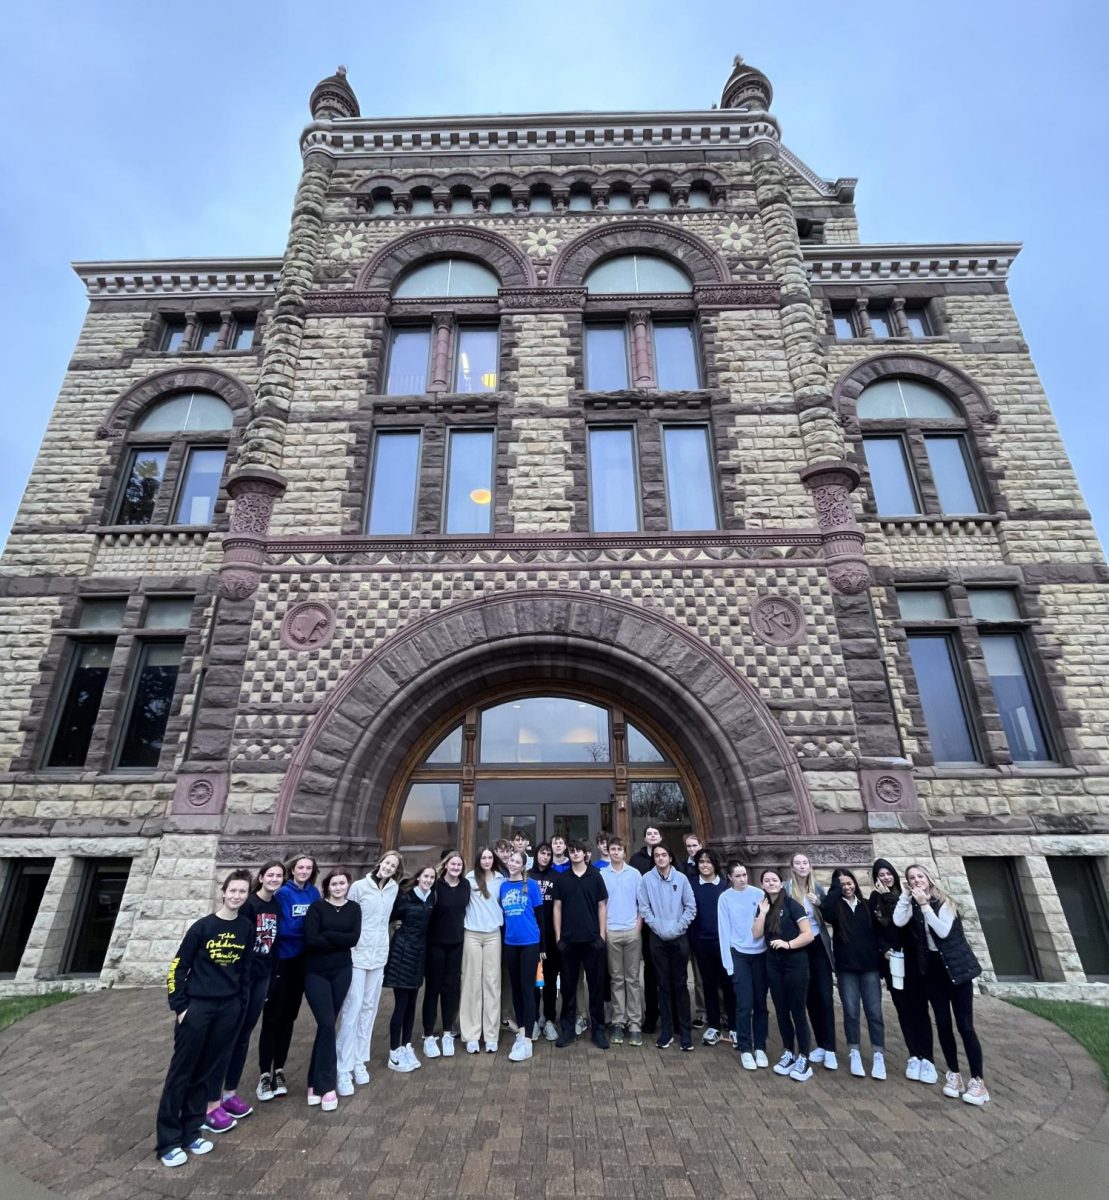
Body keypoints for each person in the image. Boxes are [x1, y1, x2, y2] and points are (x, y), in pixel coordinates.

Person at [155, 869, 254, 1168]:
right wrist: (180, 1006)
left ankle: (191, 1132)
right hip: (197, 1008)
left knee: (207, 1072)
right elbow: (177, 967)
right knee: (182, 1073)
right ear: (223, 892)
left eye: (242, 892)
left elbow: (245, 971)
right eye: (232, 891)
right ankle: (168, 1142)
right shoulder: (202, 927)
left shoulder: (246, 928)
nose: (236, 896)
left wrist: (239, 1005)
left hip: (228, 1009)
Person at [894, 864, 989, 1105]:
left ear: (929, 879)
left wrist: (925, 905)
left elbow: (943, 931)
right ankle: (954, 1073)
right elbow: (898, 920)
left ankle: (978, 1080)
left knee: (965, 1025)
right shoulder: (913, 903)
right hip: (933, 970)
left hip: (957, 970)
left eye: (920, 877)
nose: (916, 881)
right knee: (943, 1023)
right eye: (911, 878)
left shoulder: (945, 903)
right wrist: (906, 898)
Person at [213, 859, 283, 1117]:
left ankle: (229, 1093)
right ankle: (212, 1097)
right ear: (261, 877)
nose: (275, 879)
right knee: (227, 1035)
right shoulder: (249, 904)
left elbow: (274, 942)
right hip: (243, 979)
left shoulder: (275, 904)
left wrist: (273, 976)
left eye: (279, 876)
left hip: (262, 977)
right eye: (271, 875)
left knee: (243, 1036)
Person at [335, 850, 401, 1094]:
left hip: (379, 954)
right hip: (358, 953)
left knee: (369, 1007)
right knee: (353, 1007)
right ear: (380, 862)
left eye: (393, 865)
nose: (388, 867)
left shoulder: (393, 888)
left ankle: (359, 1061)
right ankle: (342, 1066)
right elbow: (347, 913)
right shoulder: (359, 887)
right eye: (387, 862)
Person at [869, 857, 938, 1084]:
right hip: (893, 961)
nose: (886, 877)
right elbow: (879, 928)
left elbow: (905, 923)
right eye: (881, 874)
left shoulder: (908, 896)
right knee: (903, 1009)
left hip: (914, 960)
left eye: (888, 873)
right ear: (876, 878)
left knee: (920, 1008)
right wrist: (884, 949)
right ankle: (914, 1055)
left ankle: (927, 1058)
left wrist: (891, 896)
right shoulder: (874, 899)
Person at [257, 854, 320, 1098]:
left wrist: (308, 930)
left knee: (289, 1018)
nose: (304, 871)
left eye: (308, 867)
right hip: (281, 963)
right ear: (292, 869)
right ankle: (264, 1073)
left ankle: (279, 1069)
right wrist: (308, 930)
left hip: (301, 964)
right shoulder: (283, 893)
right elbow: (282, 929)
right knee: (273, 1017)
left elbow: (316, 921)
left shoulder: (313, 893)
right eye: (300, 867)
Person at [302, 868, 361, 1111]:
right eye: (334, 883)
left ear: (348, 885)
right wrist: (338, 938)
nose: (338, 887)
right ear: (328, 886)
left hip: (342, 971)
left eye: (342, 883)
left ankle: (312, 1082)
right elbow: (312, 939)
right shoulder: (317, 908)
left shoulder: (354, 909)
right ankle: (327, 1087)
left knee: (328, 1025)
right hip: (316, 972)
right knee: (326, 1023)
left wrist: (328, 934)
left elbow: (353, 938)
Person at [820, 868, 886, 1080]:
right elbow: (825, 911)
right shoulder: (836, 908)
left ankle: (878, 1053)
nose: (847, 887)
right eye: (842, 885)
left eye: (849, 883)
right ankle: (854, 1051)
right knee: (851, 1011)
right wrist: (834, 890)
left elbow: (879, 931)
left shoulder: (866, 905)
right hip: (847, 968)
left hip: (869, 967)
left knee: (874, 1012)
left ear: (855, 884)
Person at [753, 868, 814, 1082]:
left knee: (797, 1010)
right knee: (780, 1009)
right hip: (774, 964)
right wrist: (761, 912)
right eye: (766, 880)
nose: (770, 883)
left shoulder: (792, 905)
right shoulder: (763, 906)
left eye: (774, 880)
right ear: (762, 885)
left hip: (795, 963)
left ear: (781, 883)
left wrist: (788, 944)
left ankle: (804, 1057)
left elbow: (808, 934)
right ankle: (788, 1050)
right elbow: (757, 933)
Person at [552, 838, 610, 1049]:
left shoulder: (595, 876)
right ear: (568, 854)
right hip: (568, 942)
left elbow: (602, 906)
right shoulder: (562, 878)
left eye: (579, 851)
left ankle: (598, 1031)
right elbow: (556, 908)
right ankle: (567, 1030)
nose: (575, 854)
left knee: (596, 988)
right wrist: (559, 937)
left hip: (593, 941)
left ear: (586, 853)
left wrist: (601, 935)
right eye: (572, 851)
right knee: (568, 989)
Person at [638, 842, 696, 1050]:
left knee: (680, 984)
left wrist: (678, 928)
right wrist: (657, 927)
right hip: (657, 938)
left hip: (679, 937)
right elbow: (644, 907)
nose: (660, 858)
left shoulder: (681, 879)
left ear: (670, 858)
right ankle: (667, 1031)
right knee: (662, 984)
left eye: (664, 855)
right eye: (657, 856)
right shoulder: (646, 880)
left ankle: (685, 1032)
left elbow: (690, 907)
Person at [786, 851, 838, 1070]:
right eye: (797, 863)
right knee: (809, 997)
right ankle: (820, 1044)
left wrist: (820, 904)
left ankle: (831, 1047)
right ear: (792, 867)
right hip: (799, 946)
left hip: (818, 946)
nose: (802, 866)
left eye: (805, 862)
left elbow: (829, 916)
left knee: (825, 996)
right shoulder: (786, 889)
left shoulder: (817, 888)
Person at [384, 864, 437, 1072]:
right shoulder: (405, 897)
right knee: (401, 1004)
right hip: (402, 953)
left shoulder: (431, 898)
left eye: (432, 877)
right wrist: (395, 926)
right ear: (418, 877)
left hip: (419, 954)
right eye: (426, 876)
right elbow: (389, 917)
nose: (428, 880)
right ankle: (393, 1051)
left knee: (412, 1003)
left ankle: (406, 1045)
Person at [718, 861, 768, 1070]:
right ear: (729, 877)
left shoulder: (758, 894)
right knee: (744, 1002)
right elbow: (724, 930)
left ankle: (761, 1046)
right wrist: (728, 964)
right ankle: (745, 1047)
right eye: (737, 876)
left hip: (760, 954)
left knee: (760, 1003)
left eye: (744, 875)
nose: (742, 879)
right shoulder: (725, 898)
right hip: (739, 954)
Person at [421, 850, 468, 1059]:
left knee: (452, 988)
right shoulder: (436, 886)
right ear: (446, 865)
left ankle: (448, 1031)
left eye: (459, 865)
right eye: (453, 864)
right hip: (435, 944)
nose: (456, 867)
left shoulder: (466, 885)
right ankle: (429, 1034)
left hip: (456, 944)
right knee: (433, 988)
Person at [499, 850, 545, 1061]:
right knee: (516, 988)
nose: (513, 863)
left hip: (530, 943)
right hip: (511, 943)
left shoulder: (532, 886)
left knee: (527, 988)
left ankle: (528, 1039)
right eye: (511, 860)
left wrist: (542, 946)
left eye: (518, 861)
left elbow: (541, 917)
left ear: (524, 865)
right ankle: (522, 1031)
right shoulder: (503, 886)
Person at [687, 848, 735, 1046]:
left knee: (728, 985)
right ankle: (713, 1025)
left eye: (708, 861)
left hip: (723, 943)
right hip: (701, 942)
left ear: (715, 864)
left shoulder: (725, 887)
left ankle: (734, 1027)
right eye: (701, 862)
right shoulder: (691, 886)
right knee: (708, 984)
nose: (705, 865)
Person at [600, 836, 643, 1045]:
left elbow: (642, 904)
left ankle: (635, 1023)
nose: (616, 852)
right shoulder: (601, 875)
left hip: (631, 931)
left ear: (625, 852)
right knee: (616, 979)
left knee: (632, 979)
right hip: (612, 932)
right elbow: (600, 904)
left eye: (619, 849)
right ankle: (618, 1022)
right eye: (612, 849)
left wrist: (637, 928)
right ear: (608, 852)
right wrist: (604, 930)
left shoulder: (634, 874)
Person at [461, 847, 504, 1053]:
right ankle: (471, 1034)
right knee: (471, 983)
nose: (487, 860)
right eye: (483, 857)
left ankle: (491, 1035)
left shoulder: (501, 880)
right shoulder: (469, 879)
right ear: (478, 860)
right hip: (472, 934)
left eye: (490, 857)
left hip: (493, 935)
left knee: (492, 982)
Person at [630, 825, 664, 1034]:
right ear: (644, 838)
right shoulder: (636, 861)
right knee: (650, 971)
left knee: (668, 974)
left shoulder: (668, 859)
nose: (652, 836)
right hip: (646, 924)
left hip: (667, 923)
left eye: (655, 833)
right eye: (649, 833)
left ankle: (674, 1017)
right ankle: (651, 1015)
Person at [531, 841, 560, 1041]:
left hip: (550, 935)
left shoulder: (557, 877)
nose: (546, 857)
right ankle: (533, 1019)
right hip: (531, 936)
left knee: (550, 980)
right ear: (536, 855)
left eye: (549, 854)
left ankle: (549, 1019)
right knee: (533, 981)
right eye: (543, 853)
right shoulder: (528, 877)